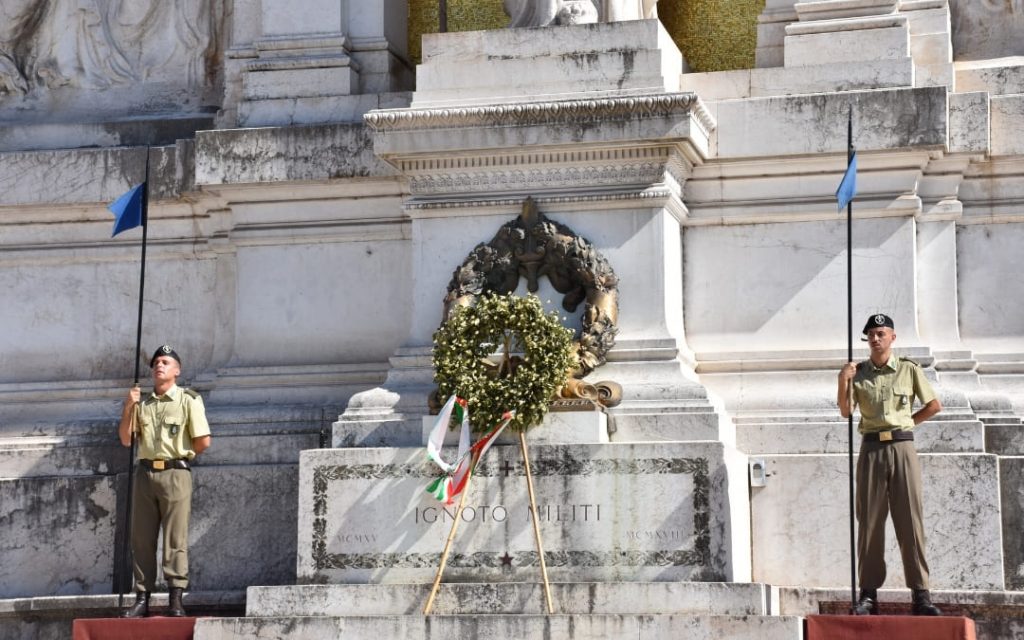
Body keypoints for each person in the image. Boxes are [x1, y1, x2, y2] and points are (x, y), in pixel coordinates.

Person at [837, 314, 943, 616]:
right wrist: (842, 379)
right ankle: (868, 595)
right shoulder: (858, 373)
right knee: (869, 522)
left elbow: (934, 405)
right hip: (871, 448)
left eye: (881, 333)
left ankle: (921, 595)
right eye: (870, 334)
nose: (875, 339)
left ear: (892, 337)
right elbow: (846, 411)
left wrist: (910, 421)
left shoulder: (908, 370)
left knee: (910, 519)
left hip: (902, 446)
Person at [118, 345, 211, 618]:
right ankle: (142, 598)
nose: (159, 366)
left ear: (177, 370)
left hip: (175, 473)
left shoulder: (188, 399)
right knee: (142, 538)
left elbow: (203, 440)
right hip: (145, 474)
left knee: (175, 538)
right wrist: (128, 407)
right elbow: (126, 439)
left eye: (166, 362)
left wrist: (183, 456)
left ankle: (175, 597)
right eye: (156, 362)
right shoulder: (143, 404)